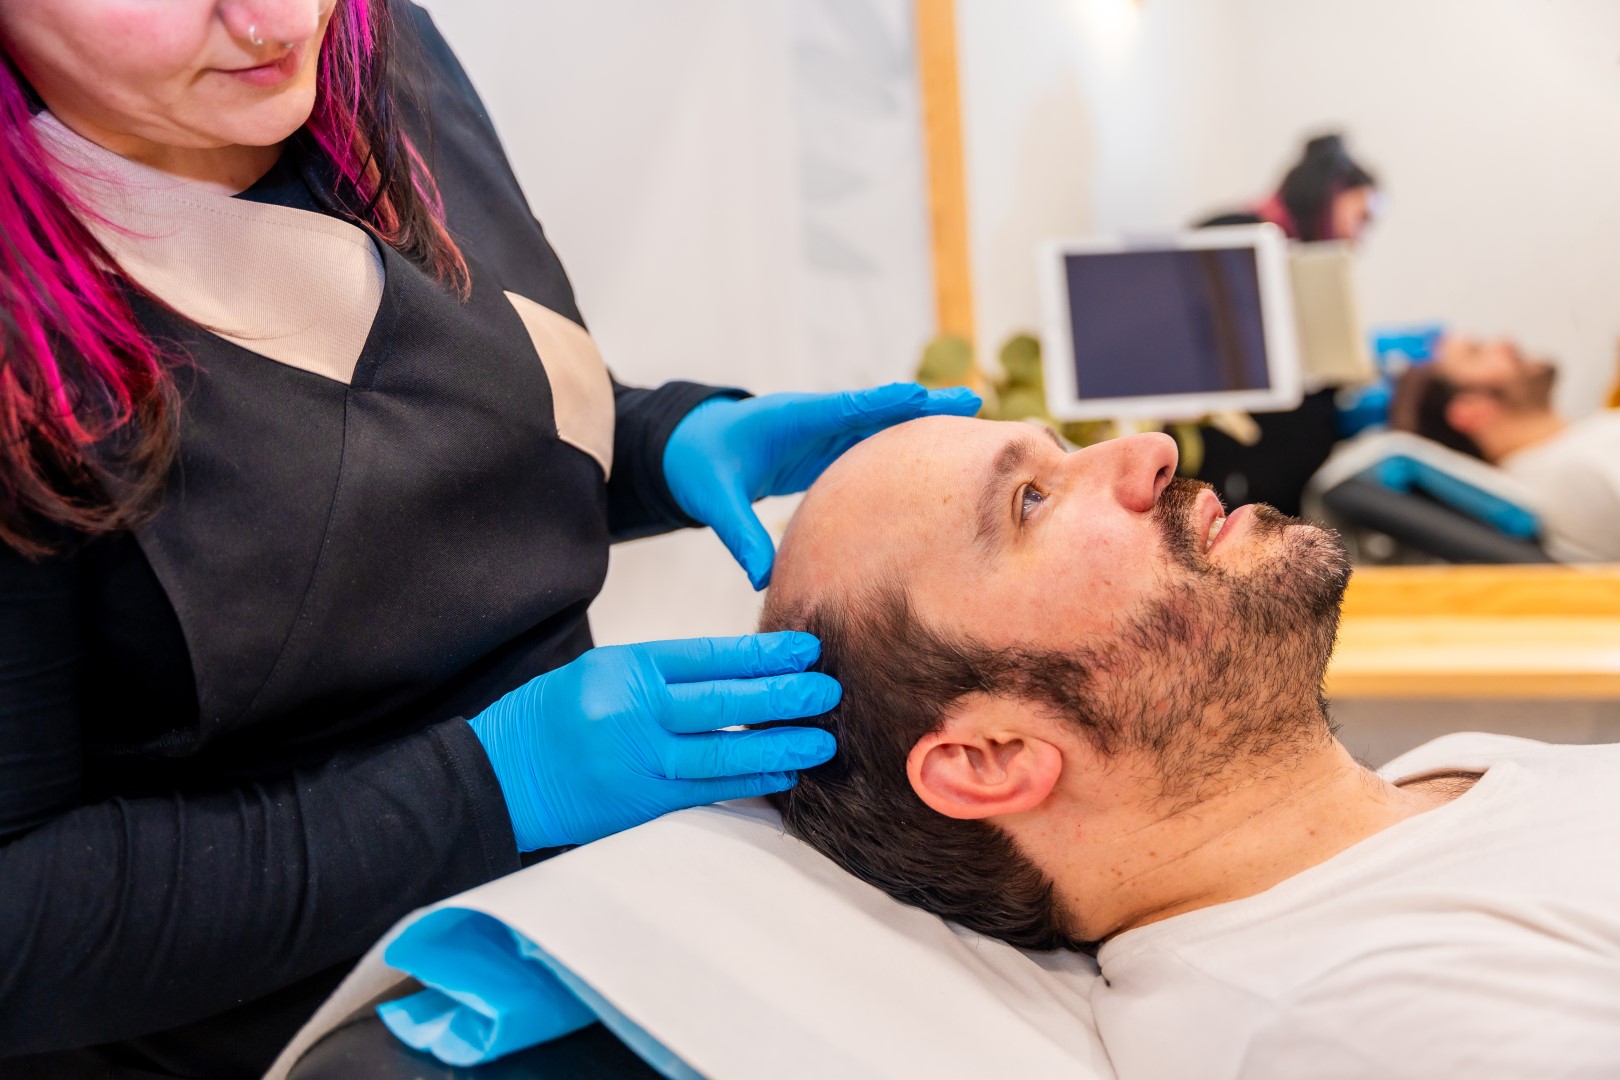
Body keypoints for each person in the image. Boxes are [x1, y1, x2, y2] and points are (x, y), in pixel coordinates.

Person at [0, 2, 980, 1075]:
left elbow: (457, 413)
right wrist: (488, 784)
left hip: (600, 914)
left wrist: (664, 440)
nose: (275, 17)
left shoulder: (376, 50)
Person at [760, 415, 1620, 1078]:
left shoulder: (1439, 777)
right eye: (1031, 499)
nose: (1152, 449)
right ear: (992, 757)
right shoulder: (1362, 1018)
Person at [1194, 132, 1381, 519]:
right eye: (1362, 218)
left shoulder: (1303, 254)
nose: (1359, 236)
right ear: (1331, 196)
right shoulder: (1234, 230)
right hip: (1230, 440)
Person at [1389, 335, 1620, 561]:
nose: (1506, 343)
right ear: (1470, 410)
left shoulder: (1582, 439)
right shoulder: (1569, 478)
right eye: (1477, 353)